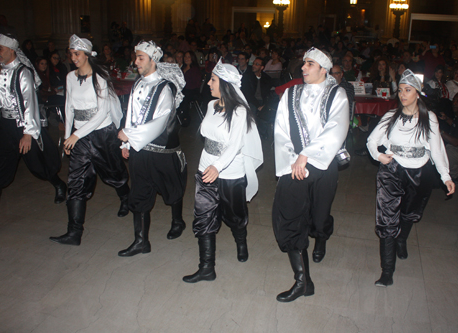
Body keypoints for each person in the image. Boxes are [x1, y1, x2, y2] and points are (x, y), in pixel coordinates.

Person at [272, 47, 349, 302]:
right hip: (295, 166)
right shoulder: (290, 93)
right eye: (303, 63)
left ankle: (322, 233)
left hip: (322, 165)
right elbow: (280, 130)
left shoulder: (337, 95)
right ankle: (303, 281)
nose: (303, 68)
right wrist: (293, 160)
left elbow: (336, 129)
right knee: (292, 219)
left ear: (323, 69)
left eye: (309, 64)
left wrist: (307, 154)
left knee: (317, 219)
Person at [366, 69, 455, 287]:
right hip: (392, 171)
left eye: (408, 90)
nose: (403, 94)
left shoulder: (429, 118)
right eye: (401, 90)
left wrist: (446, 176)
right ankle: (387, 271)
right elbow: (371, 140)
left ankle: (402, 239)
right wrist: (379, 156)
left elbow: (437, 149)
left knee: (409, 213)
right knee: (387, 221)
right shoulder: (390, 116)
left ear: (417, 93)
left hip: (420, 172)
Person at [0, 34, 66, 225]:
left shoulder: (23, 73)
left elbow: (30, 103)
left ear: (11, 50)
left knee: (38, 164)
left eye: (0, 49)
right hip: (4, 125)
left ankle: (59, 184)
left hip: (24, 126)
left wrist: (28, 133)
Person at [182, 59, 263, 283]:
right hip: (206, 167)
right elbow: (207, 137)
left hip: (230, 172)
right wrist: (208, 166)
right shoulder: (210, 105)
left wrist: (218, 167)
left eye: (213, 80)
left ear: (226, 84)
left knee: (235, 216)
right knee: (204, 215)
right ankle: (207, 267)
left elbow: (235, 144)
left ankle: (241, 240)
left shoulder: (239, 112)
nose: (208, 83)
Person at [49, 35, 130, 246]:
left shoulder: (100, 78)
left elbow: (102, 112)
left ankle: (125, 197)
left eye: (76, 54)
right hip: (79, 137)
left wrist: (76, 134)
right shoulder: (69, 77)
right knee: (76, 183)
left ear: (87, 55)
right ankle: (74, 232)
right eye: (71, 53)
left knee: (113, 174)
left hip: (102, 134)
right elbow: (69, 107)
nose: (73, 57)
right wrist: (68, 135)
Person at [117, 41, 187, 257]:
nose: (136, 62)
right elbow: (130, 114)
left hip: (161, 152)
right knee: (139, 195)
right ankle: (141, 242)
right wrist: (125, 143)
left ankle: (178, 221)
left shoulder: (165, 87)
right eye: (135, 57)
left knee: (171, 189)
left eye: (140, 58)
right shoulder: (138, 83)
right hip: (140, 151)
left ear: (152, 60)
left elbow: (160, 121)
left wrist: (131, 136)